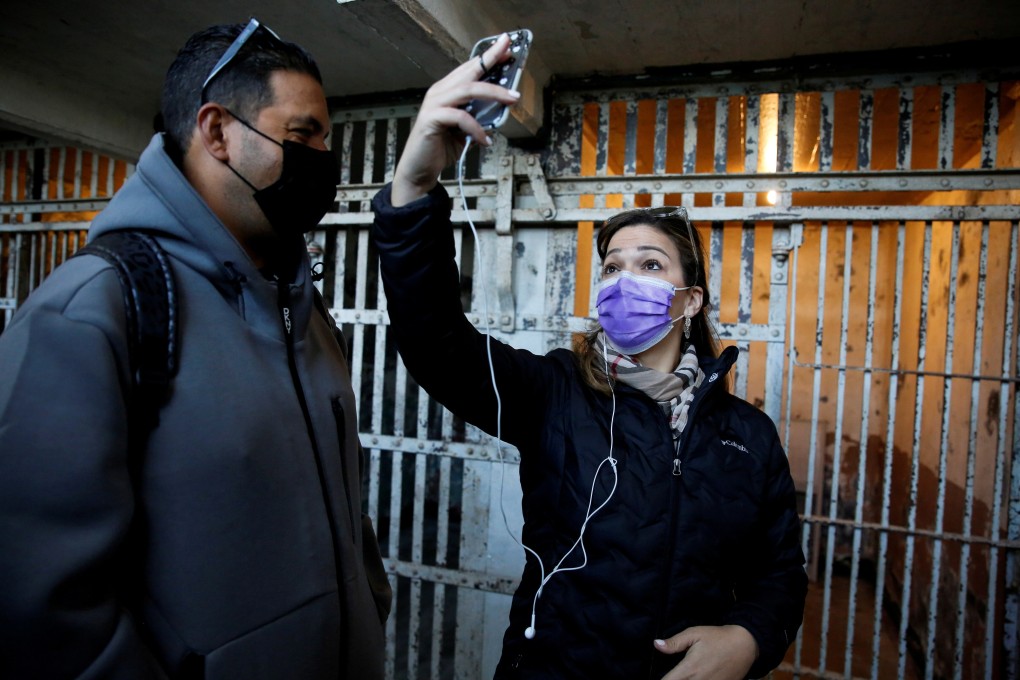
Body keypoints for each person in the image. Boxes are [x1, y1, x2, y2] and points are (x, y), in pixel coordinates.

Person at [370, 35, 807, 679]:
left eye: (649, 265)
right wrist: (413, 184)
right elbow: (436, 342)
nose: (622, 280)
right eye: (611, 267)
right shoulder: (552, 393)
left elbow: (780, 576)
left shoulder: (747, 437)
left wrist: (748, 638)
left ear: (688, 301)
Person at [0, 19, 390, 679]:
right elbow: (41, 612)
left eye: (325, 137)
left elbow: (346, 517)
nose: (324, 157)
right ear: (216, 132)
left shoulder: (305, 311)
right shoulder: (93, 312)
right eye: (303, 135)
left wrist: (370, 608)